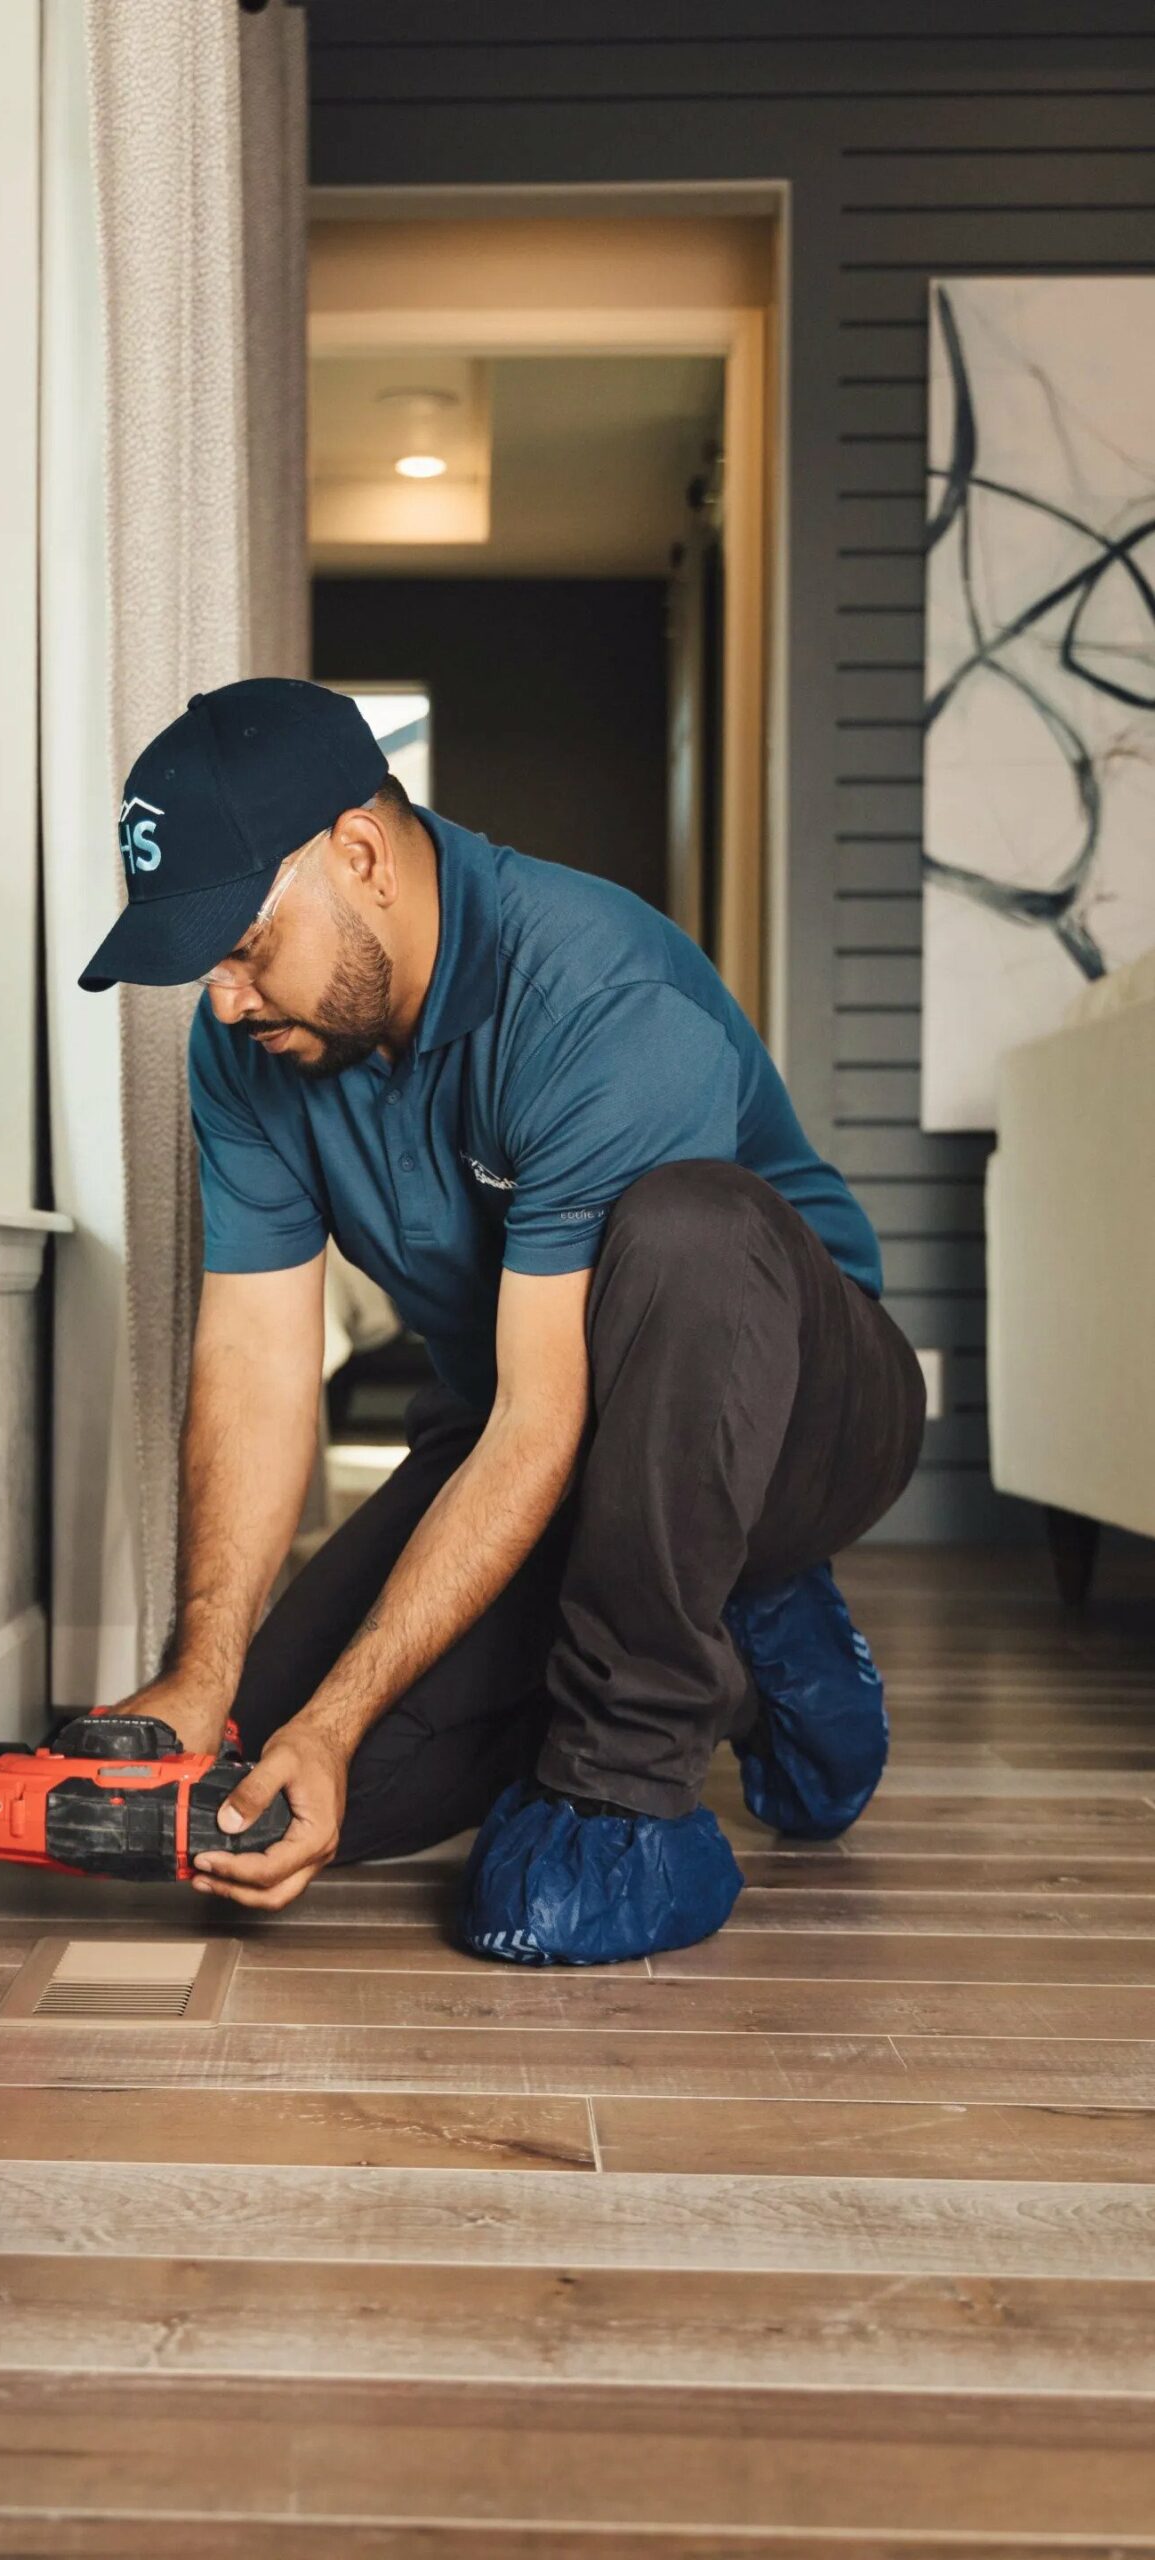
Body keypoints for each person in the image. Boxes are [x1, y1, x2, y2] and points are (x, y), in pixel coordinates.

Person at [77, 677, 925, 1963]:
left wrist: (351, 1713)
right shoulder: (245, 1050)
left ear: (358, 854)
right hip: (530, 1435)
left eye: (244, 944)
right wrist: (210, 1674)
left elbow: (544, 1423)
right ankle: (723, 1633)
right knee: (254, 1789)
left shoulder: (592, 992)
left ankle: (633, 1778)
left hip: (792, 1410)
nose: (229, 999)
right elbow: (255, 1362)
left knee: (689, 1228)